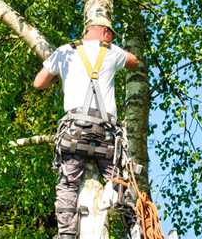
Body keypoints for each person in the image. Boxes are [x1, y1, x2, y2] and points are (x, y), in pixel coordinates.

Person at [33, 21, 139, 239]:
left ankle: (67, 235)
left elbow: (39, 83)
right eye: (111, 35)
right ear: (105, 32)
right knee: (118, 180)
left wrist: (60, 73)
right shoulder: (111, 52)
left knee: (68, 185)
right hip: (106, 135)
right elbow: (133, 61)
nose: (111, 39)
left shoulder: (65, 51)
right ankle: (134, 228)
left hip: (75, 132)